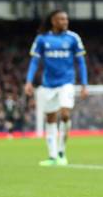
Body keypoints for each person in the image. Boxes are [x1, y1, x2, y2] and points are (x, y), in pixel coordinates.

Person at [25, 10, 88, 166]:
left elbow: (81, 62)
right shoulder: (42, 39)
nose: (65, 22)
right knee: (50, 118)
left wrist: (84, 84)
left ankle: (61, 151)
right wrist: (28, 81)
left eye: (66, 19)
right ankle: (52, 156)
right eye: (61, 19)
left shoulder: (73, 38)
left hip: (67, 82)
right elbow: (34, 61)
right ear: (53, 21)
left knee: (65, 114)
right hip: (48, 84)